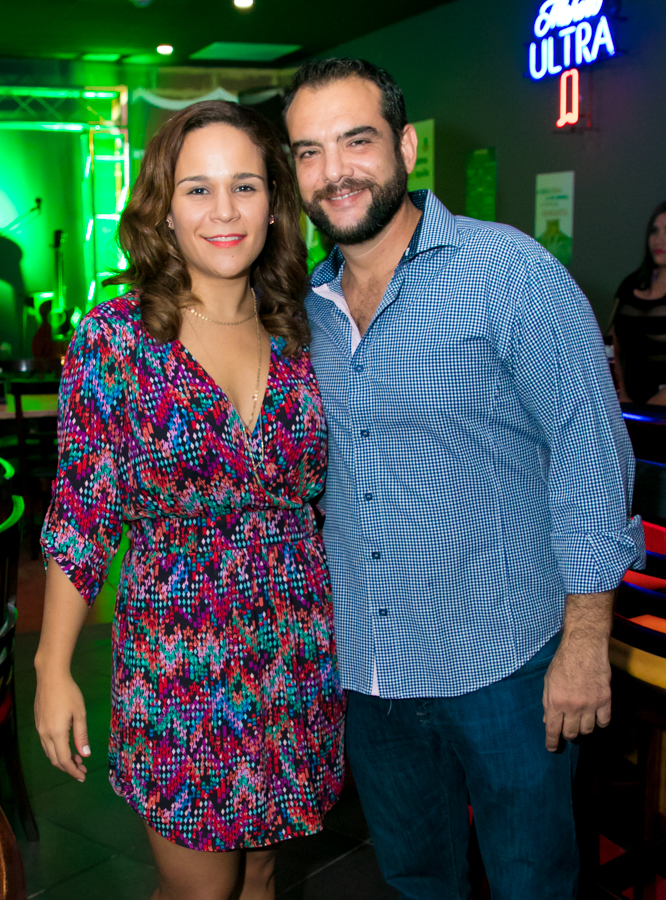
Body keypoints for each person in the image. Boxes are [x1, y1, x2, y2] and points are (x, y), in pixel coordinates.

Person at [284, 58, 645, 900]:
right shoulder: (302, 312)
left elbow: (592, 453)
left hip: (508, 665)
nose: (334, 171)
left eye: (356, 141)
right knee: (416, 883)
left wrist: (585, 643)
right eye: (308, 152)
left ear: (405, 147)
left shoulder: (509, 274)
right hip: (371, 671)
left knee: (531, 883)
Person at [33, 100, 344, 900]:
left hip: (294, 649)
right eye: (198, 189)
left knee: (264, 874)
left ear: (274, 204)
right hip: (179, 657)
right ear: (164, 210)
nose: (224, 210)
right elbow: (82, 516)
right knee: (200, 890)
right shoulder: (116, 340)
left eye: (245, 186)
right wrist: (52, 665)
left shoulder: (303, 332)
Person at [611, 201, 666, 405]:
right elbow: (612, 345)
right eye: (654, 231)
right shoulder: (631, 284)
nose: (659, 240)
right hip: (626, 406)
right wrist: (621, 394)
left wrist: (655, 404)